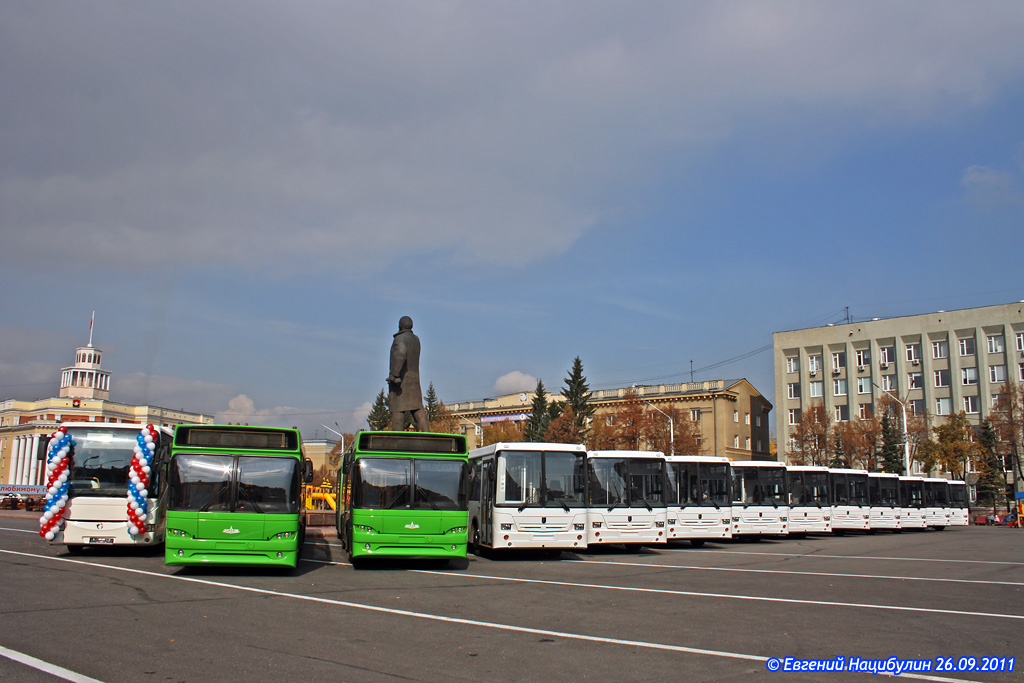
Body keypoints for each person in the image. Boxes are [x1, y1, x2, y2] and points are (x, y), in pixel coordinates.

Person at [387, 316, 429, 432]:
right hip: (414, 381)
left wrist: (394, 375)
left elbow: (400, 353)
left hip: (401, 381)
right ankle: (428, 435)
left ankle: (397, 440)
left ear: (400, 326)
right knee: (418, 410)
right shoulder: (416, 340)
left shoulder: (400, 339)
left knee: (398, 411)